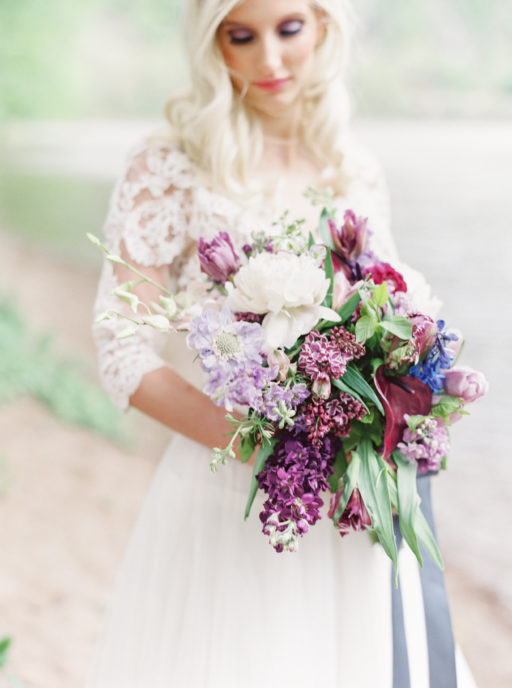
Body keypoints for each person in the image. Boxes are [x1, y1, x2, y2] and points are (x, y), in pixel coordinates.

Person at [87, 1, 479, 686]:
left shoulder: (352, 167)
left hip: (351, 501)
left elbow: (390, 315)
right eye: (242, 36)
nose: (268, 59)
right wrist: (254, 444)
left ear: (322, 27)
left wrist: (392, 408)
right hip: (232, 496)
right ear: (215, 45)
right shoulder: (170, 164)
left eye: (287, 29)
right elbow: (120, 347)